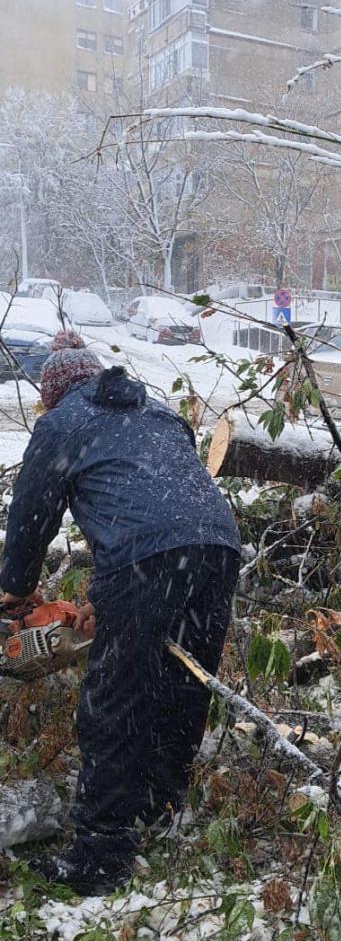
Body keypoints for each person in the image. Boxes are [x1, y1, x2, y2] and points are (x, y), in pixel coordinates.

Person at [0, 330, 241, 893]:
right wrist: (104, 599)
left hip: (149, 559)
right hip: (218, 548)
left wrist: (15, 588)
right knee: (182, 683)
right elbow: (149, 502)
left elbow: (33, 516)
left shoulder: (62, 425)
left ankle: (102, 852)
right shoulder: (158, 415)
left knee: (114, 698)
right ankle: (159, 810)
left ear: (52, 394)